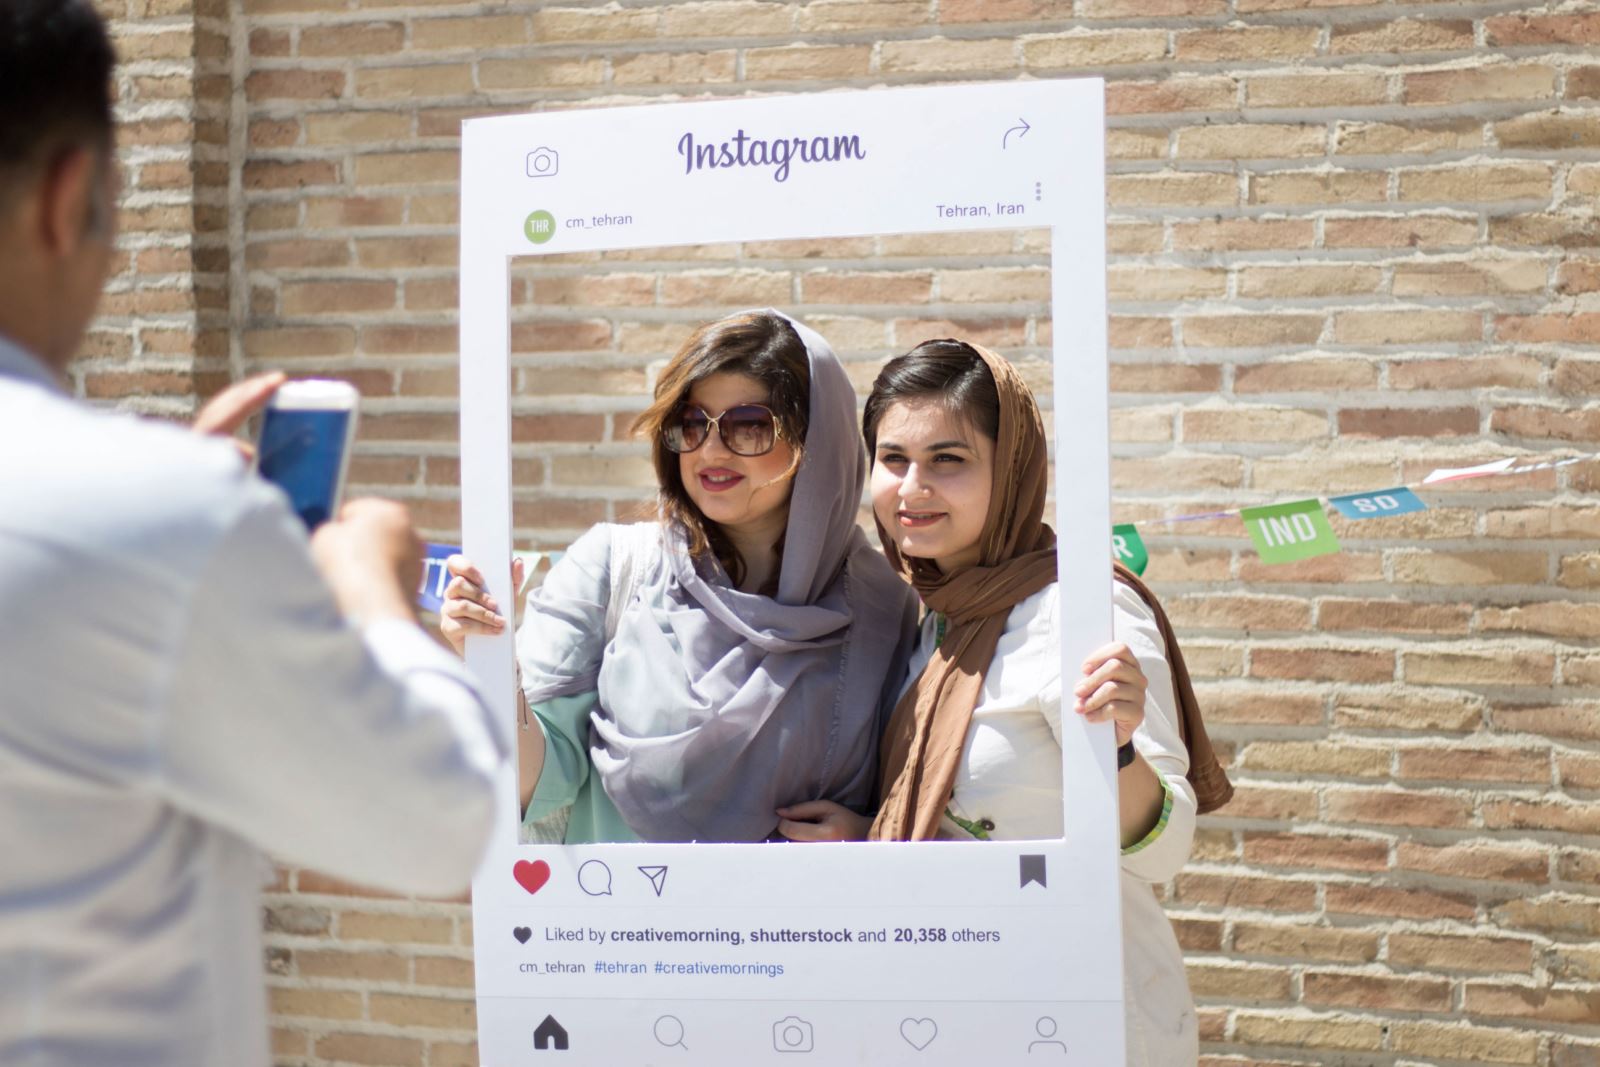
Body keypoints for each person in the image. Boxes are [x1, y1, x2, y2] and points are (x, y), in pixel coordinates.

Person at [0, 4, 504, 1065]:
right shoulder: (156, 517)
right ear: (66, 197)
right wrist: (371, 592)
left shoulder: (145, 515)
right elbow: (438, 823)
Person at [780, 339, 1232, 1066]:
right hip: (960, 1010)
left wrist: (1119, 749)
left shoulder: (1080, 614)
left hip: (1082, 1013)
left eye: (948, 459)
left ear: (1012, 467)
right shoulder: (935, 617)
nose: (912, 487)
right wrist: (870, 834)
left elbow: (1166, 851)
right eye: (893, 459)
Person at [442, 309, 919, 843]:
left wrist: (869, 834)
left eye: (749, 425)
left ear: (819, 443)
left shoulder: (884, 608)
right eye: (691, 424)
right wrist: (489, 664)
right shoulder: (610, 570)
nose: (710, 450)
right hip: (621, 900)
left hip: (799, 903)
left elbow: (914, 796)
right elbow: (534, 786)